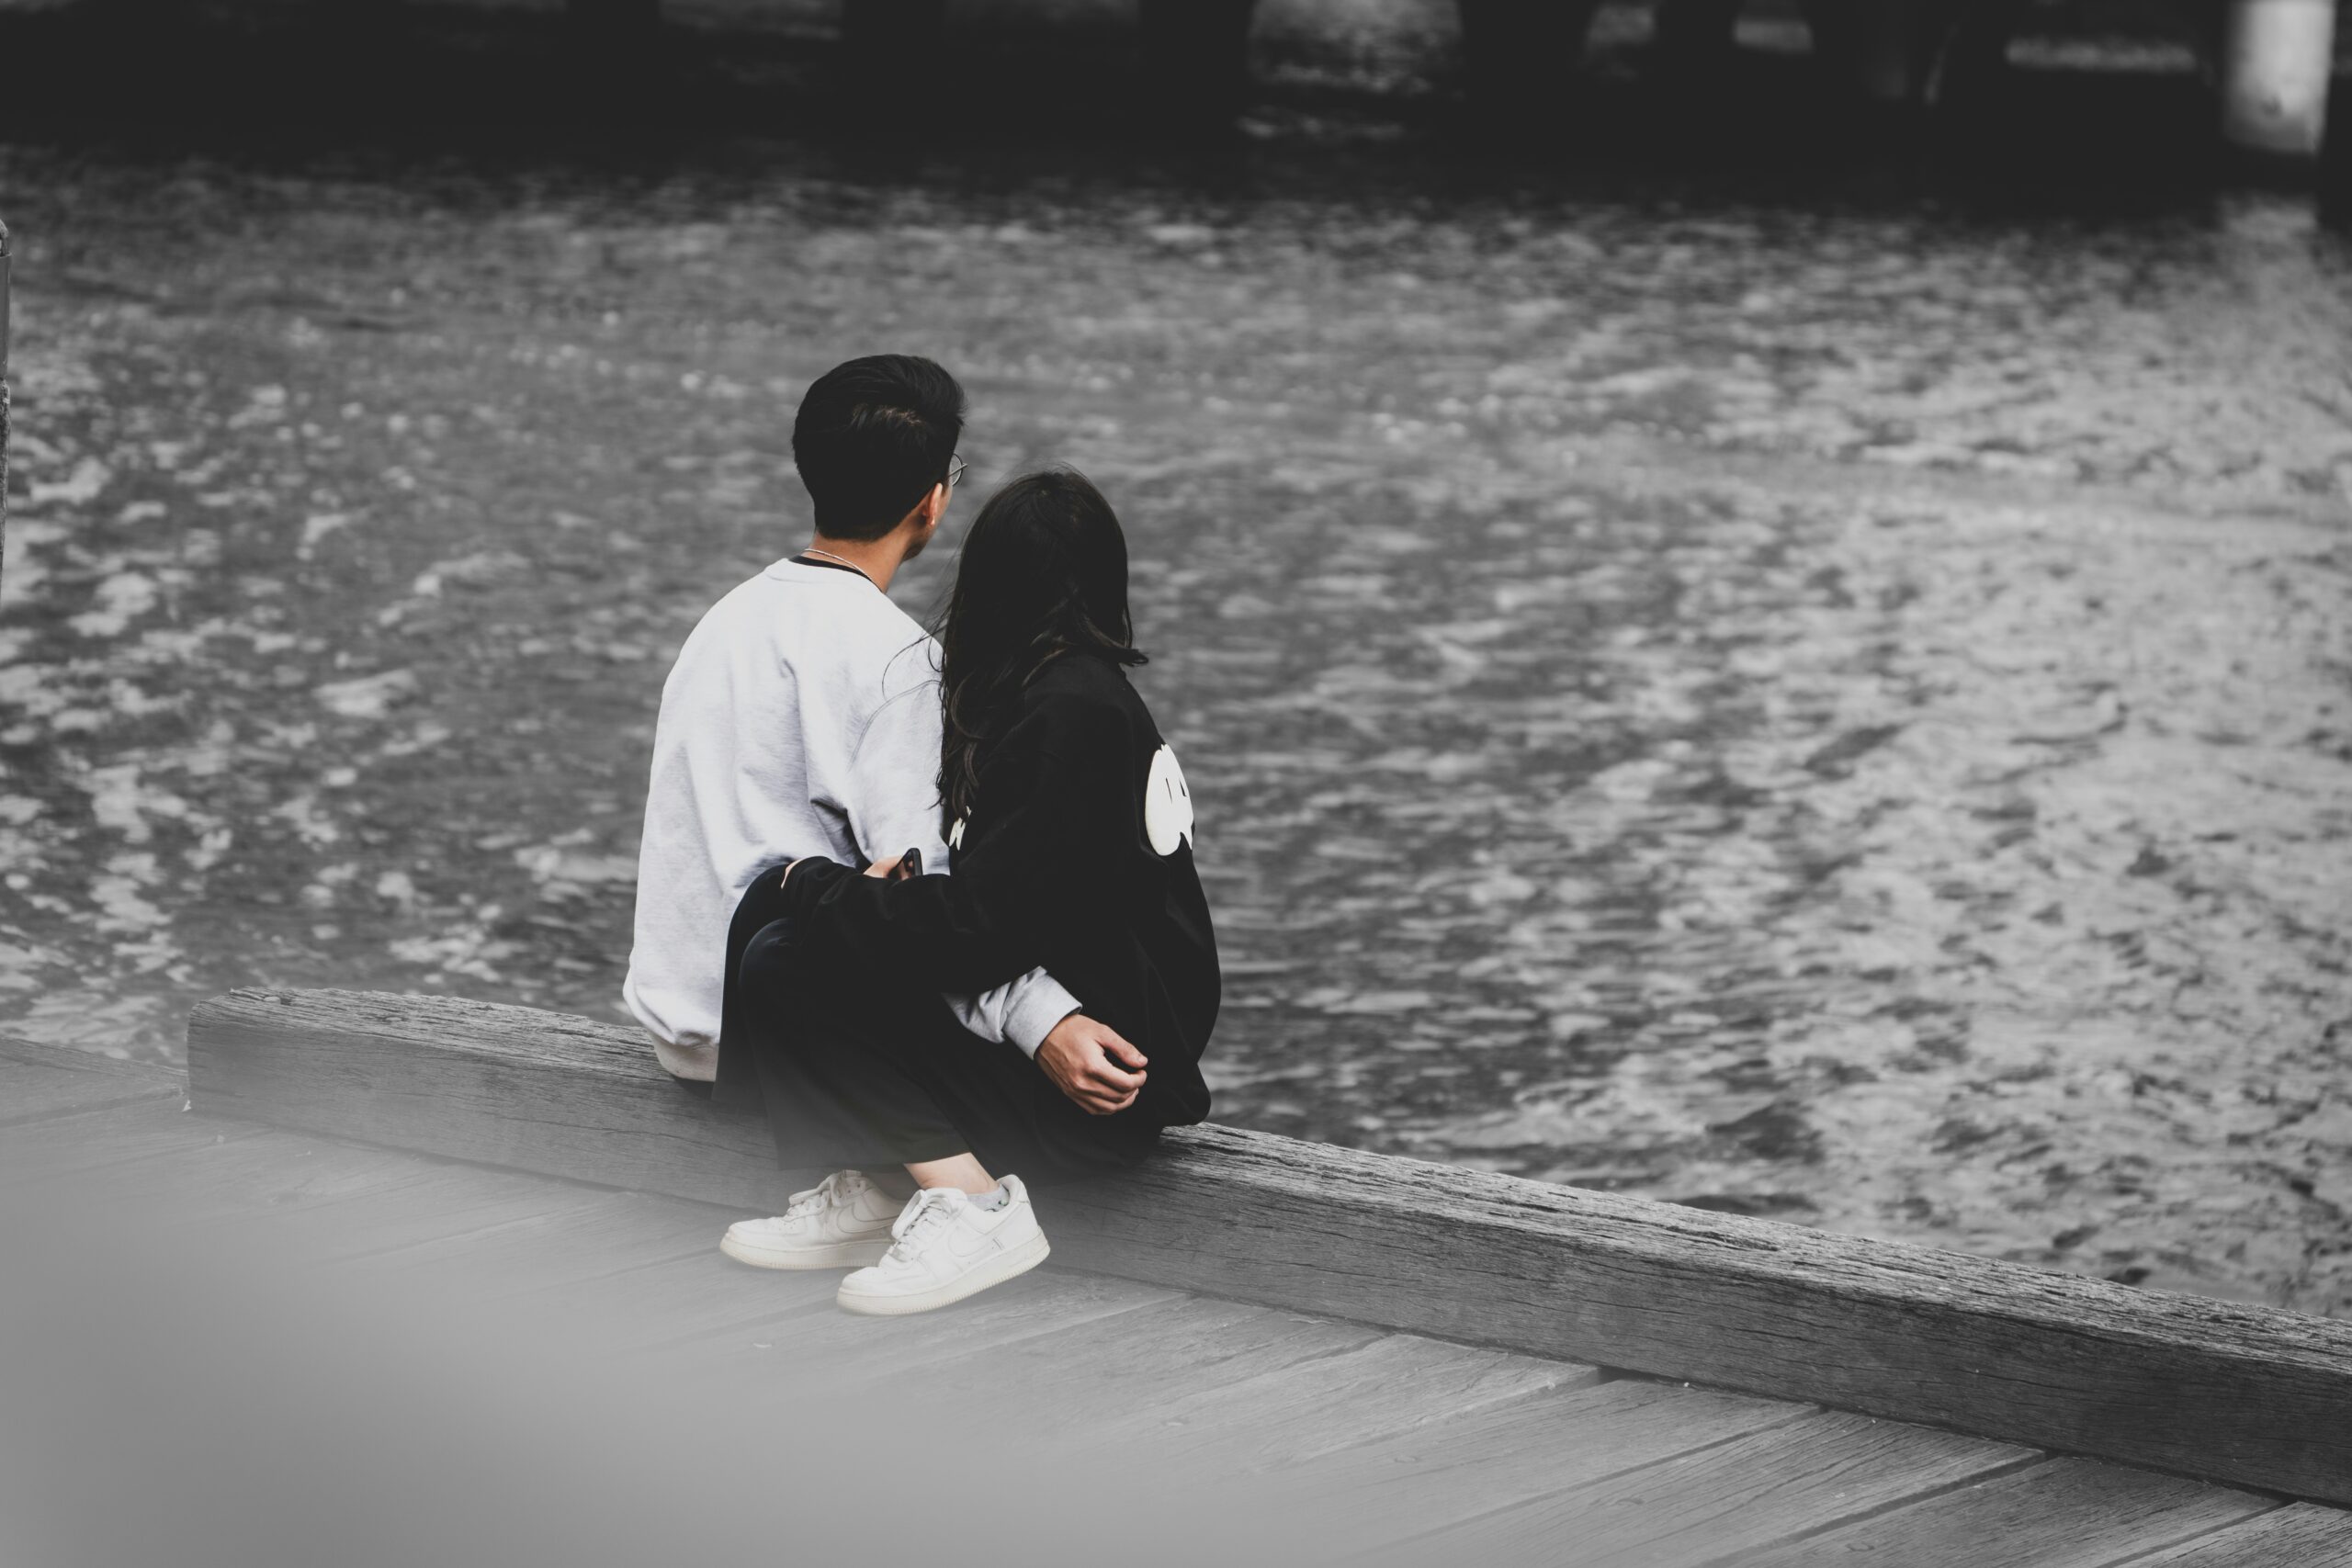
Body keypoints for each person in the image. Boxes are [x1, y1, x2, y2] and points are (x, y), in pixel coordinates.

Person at [622, 355, 1139, 1211]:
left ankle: (868, 1179)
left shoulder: (721, 622)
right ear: (933, 501)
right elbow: (930, 903)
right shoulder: (902, 664)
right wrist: (1048, 1020)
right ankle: (974, 1204)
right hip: (776, 1033)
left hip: (680, 1026)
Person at [716, 468, 1219, 1316]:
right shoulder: (1065, 696)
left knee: (790, 950)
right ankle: (886, 1178)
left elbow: (975, 934)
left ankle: (978, 1206)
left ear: (989, 581)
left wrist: (817, 885)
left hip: (1099, 1084)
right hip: (1109, 1056)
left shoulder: (1069, 714)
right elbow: (995, 917)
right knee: (785, 927)